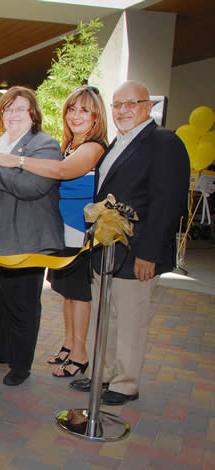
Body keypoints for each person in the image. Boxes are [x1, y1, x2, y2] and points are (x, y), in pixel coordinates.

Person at [70, 80, 189, 405]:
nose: (123, 110)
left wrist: (150, 253)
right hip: (106, 251)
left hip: (137, 253)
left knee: (131, 320)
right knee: (106, 316)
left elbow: (168, 203)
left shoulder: (163, 142)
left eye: (131, 104)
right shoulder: (117, 142)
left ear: (147, 107)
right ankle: (103, 374)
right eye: (118, 105)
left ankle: (125, 383)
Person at [0, 85, 108, 378]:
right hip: (32, 229)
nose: (76, 115)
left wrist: (3, 163)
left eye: (85, 110)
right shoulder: (64, 144)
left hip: (58, 233)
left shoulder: (66, 145)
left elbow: (45, 181)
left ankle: (42, 360)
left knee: (42, 297)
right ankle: (53, 346)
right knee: (48, 293)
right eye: (72, 109)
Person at [0, 86, 63, 386]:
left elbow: (32, 188)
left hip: (25, 235)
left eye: (20, 108)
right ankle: (1, 349)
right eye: (8, 108)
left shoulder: (45, 145)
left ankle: (20, 363)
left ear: (33, 113)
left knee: (22, 301)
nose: (13, 113)